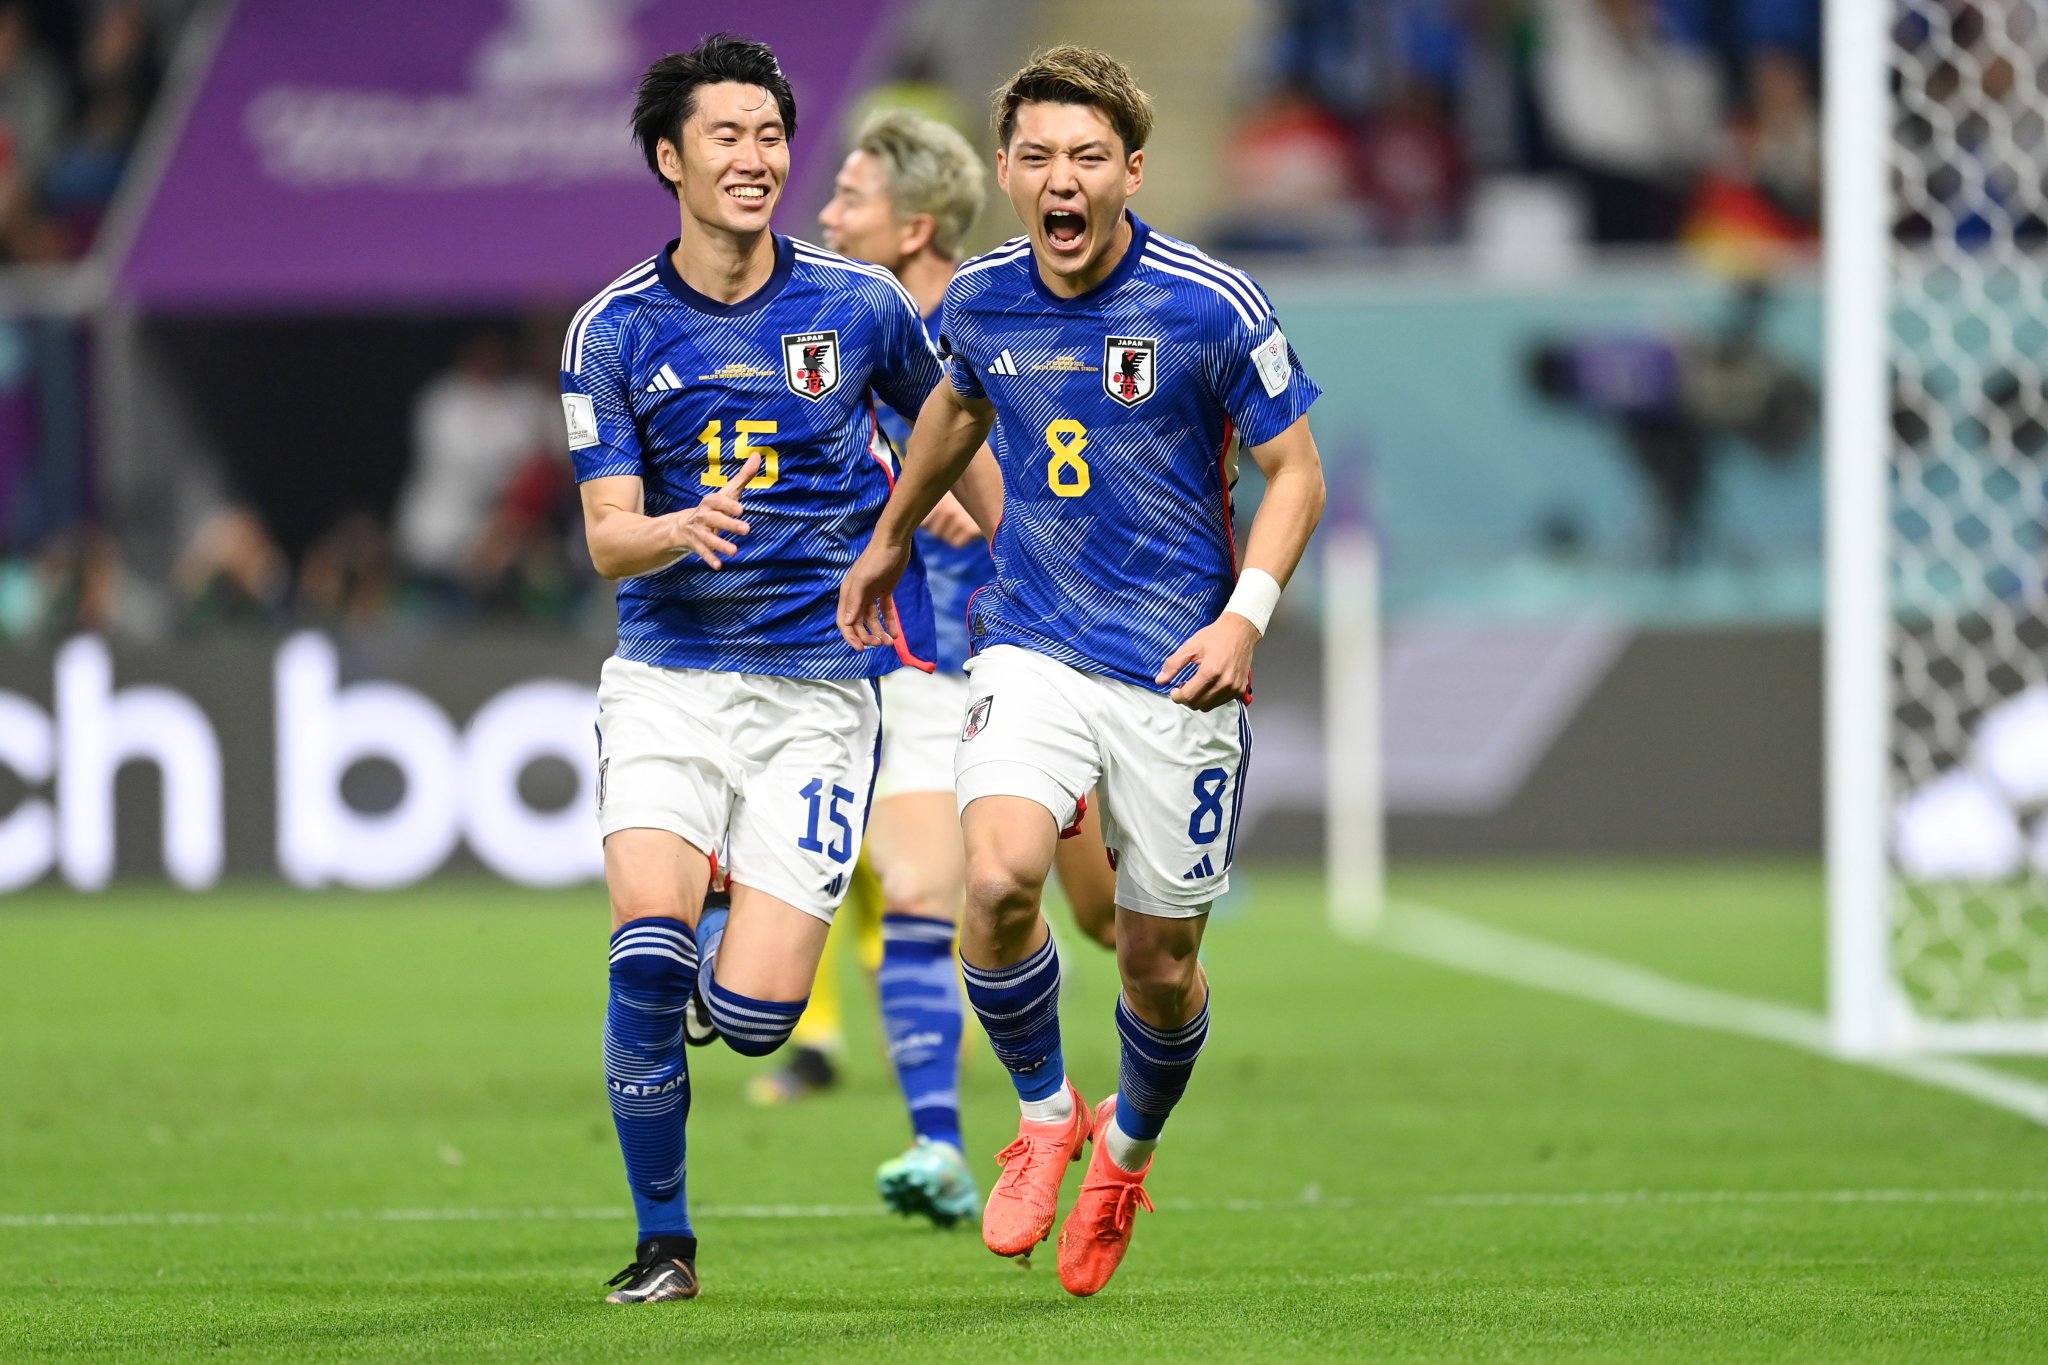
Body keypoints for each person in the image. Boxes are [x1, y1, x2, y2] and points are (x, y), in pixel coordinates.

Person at [839, 47, 1325, 1297]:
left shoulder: (1208, 302)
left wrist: (1245, 620)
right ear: (1006, 174)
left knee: (1155, 965)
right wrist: (891, 538)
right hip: (1031, 645)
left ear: (1131, 173)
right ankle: (1045, 1115)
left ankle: (1125, 1151)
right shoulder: (983, 298)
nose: (1063, 180)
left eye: (1088, 158)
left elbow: (1296, 474)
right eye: (1039, 157)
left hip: (1178, 670)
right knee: (997, 878)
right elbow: (955, 404)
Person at [562, 33, 953, 1306]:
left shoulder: (860, 305)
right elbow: (607, 538)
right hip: (667, 681)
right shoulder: (613, 328)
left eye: (771, 135)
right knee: (642, 956)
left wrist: (935, 521)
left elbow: (953, 423)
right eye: (725, 135)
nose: (754, 157)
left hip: (816, 697)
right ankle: (663, 1245)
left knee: (758, 1019)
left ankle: (729, 938)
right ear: (668, 159)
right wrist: (673, 528)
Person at [809, 107, 1120, 1225]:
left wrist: (991, 497)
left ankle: (1110, 1058)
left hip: (1045, 659)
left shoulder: (1008, 319)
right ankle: (941, 1145)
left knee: (1109, 920)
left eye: (849, 199)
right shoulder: (838, 337)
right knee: (922, 891)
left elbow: (1091, 472)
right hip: (920, 670)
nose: (824, 217)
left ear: (914, 227)